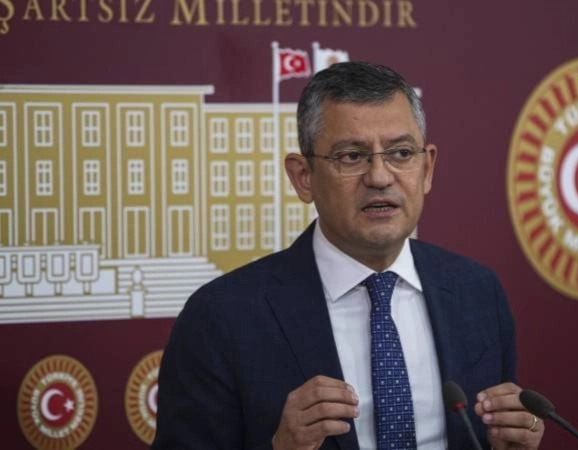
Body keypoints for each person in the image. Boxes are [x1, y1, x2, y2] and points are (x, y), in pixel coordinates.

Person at [153, 61, 544, 450]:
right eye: (351, 156)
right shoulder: (222, 317)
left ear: (427, 169)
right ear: (303, 177)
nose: (380, 177)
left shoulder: (477, 292)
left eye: (401, 153)